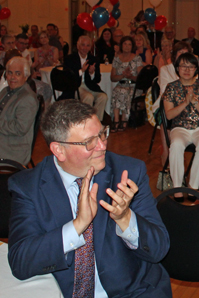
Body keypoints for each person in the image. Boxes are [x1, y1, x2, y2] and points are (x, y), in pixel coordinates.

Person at [8, 99, 172, 297]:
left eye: (102, 134)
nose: (102, 146)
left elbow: (159, 249)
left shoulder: (127, 173)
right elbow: (20, 262)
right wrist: (77, 226)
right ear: (59, 150)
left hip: (133, 292)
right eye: (89, 142)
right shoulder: (28, 187)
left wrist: (125, 219)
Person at [163, 53, 199, 201]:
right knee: (177, 145)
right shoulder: (171, 87)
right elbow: (169, 116)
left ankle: (193, 187)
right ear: (177, 68)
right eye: (183, 66)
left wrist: (194, 102)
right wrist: (185, 102)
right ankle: (177, 187)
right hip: (180, 127)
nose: (187, 69)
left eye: (191, 66)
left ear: (196, 69)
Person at [0, 57, 38, 165]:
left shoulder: (27, 98)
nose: (12, 77)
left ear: (26, 76)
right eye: (10, 73)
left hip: (11, 149)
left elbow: (20, 128)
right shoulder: (5, 91)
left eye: (17, 74)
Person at [65, 35, 108, 121]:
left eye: (88, 45)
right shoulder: (70, 58)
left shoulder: (94, 59)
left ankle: (96, 122)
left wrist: (92, 73)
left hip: (90, 86)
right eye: (83, 45)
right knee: (89, 97)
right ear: (78, 46)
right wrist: (81, 71)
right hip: (76, 86)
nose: (85, 48)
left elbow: (97, 79)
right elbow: (67, 78)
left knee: (103, 96)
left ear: (90, 47)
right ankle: (85, 123)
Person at [110, 36, 143, 132]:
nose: (127, 46)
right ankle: (116, 120)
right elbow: (112, 78)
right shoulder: (116, 59)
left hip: (133, 85)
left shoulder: (137, 58)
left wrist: (130, 76)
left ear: (132, 46)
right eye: (125, 44)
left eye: (129, 44)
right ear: (121, 45)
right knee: (117, 90)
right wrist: (123, 75)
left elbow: (140, 78)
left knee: (124, 92)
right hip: (121, 84)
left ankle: (124, 119)